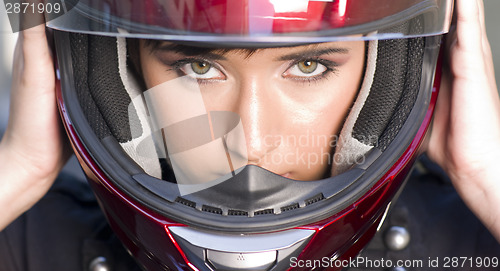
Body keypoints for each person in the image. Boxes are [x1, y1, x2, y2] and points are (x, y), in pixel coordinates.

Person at [0, 0, 499, 270]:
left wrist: (486, 173)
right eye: (198, 66)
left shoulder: (475, 243)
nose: (252, 143)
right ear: (116, 74)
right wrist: (19, 168)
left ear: (395, 76)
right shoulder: (27, 245)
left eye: (308, 65)